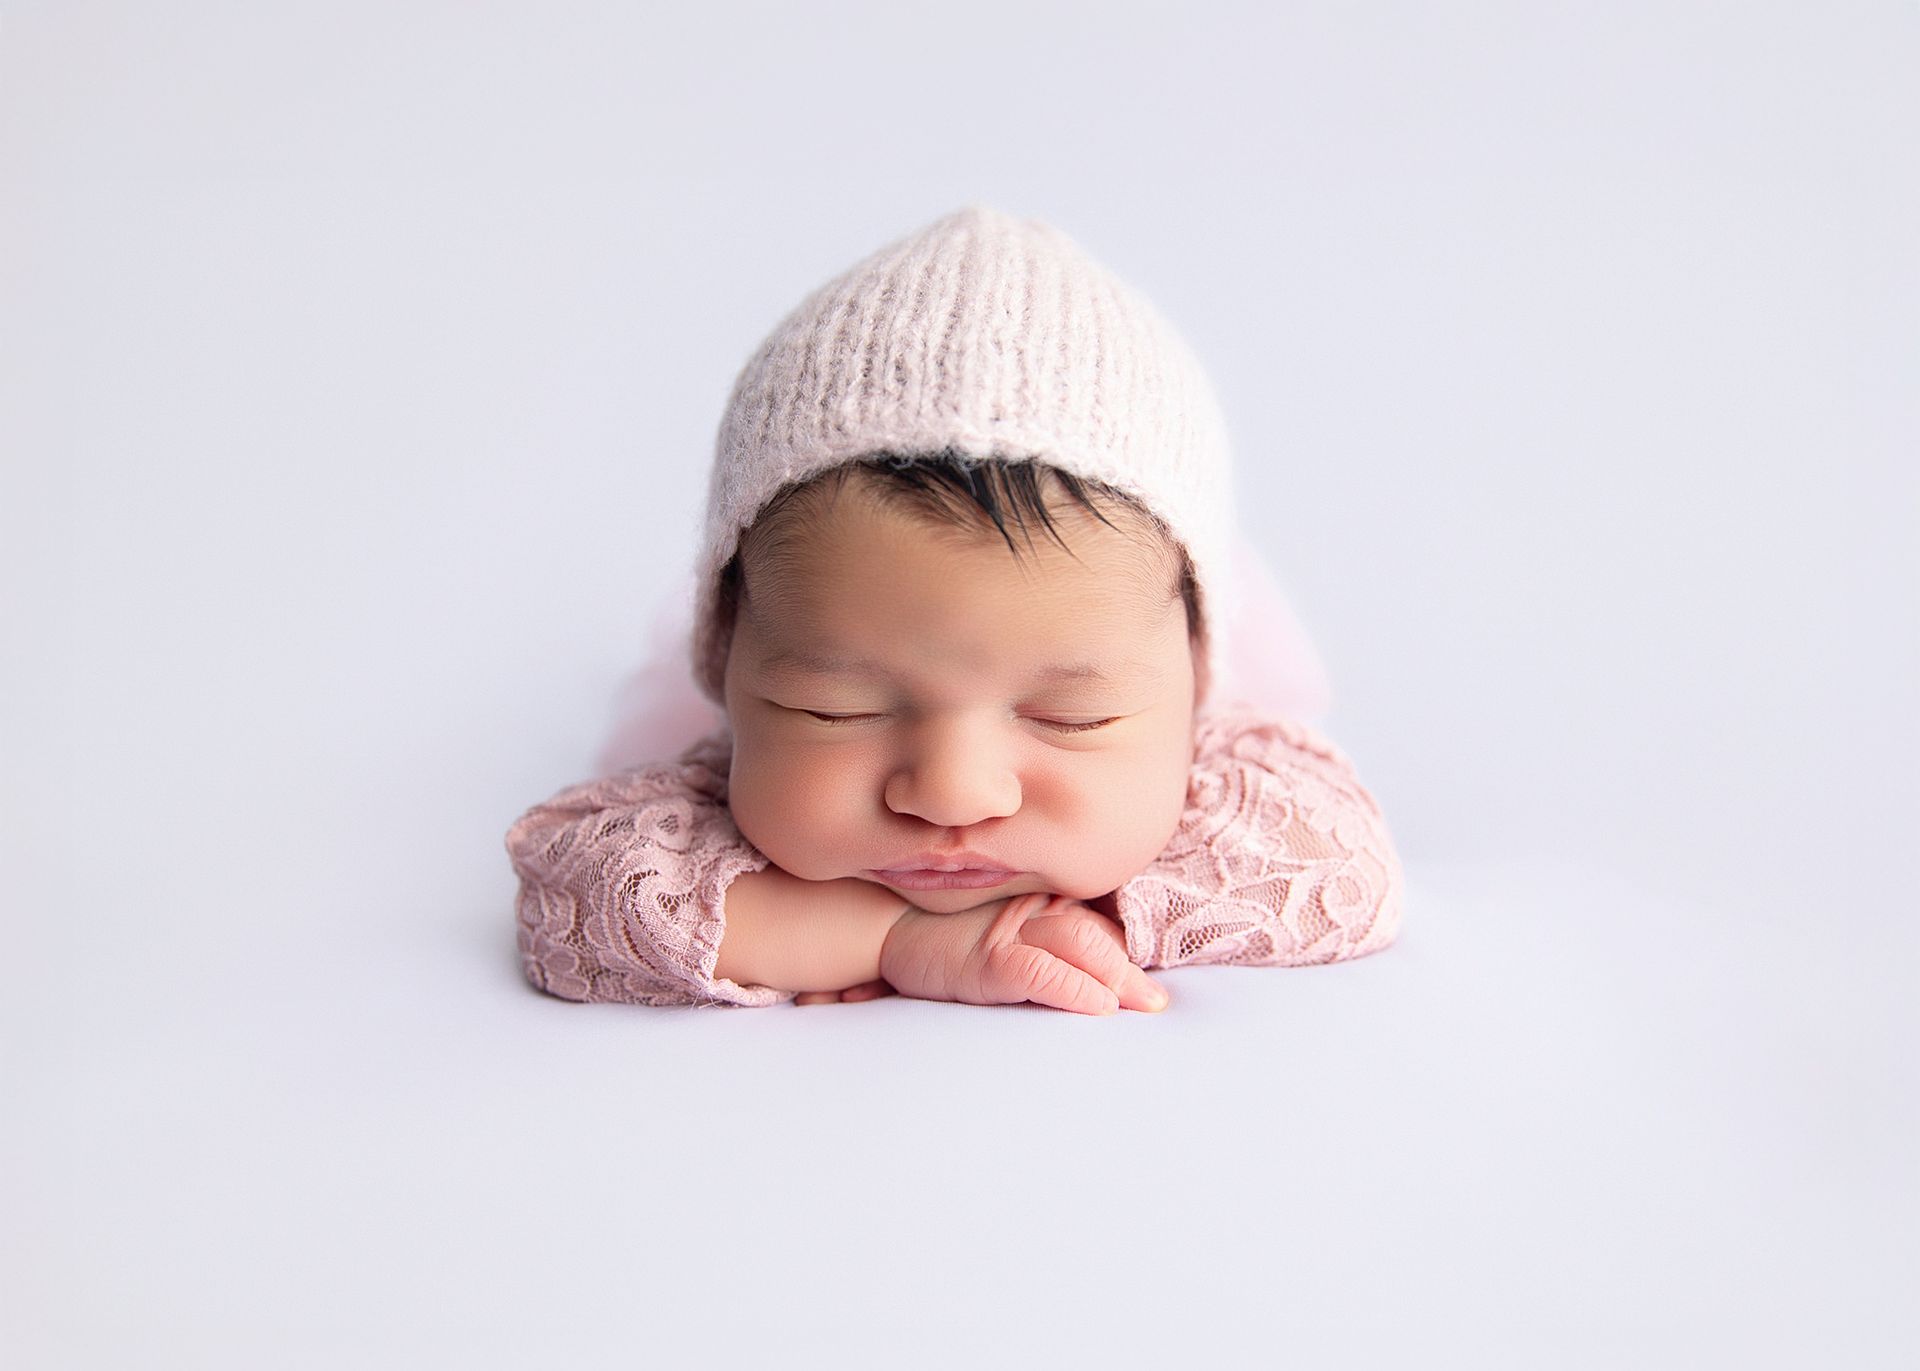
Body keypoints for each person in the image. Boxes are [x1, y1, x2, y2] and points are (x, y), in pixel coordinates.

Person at [503, 204, 1404, 1015]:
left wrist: (1093, 918)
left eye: (1070, 715)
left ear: (1194, 683)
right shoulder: (702, 796)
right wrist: (904, 942)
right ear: (731, 664)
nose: (952, 792)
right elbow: (568, 895)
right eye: (836, 709)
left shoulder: (1229, 774)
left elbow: (1348, 872)